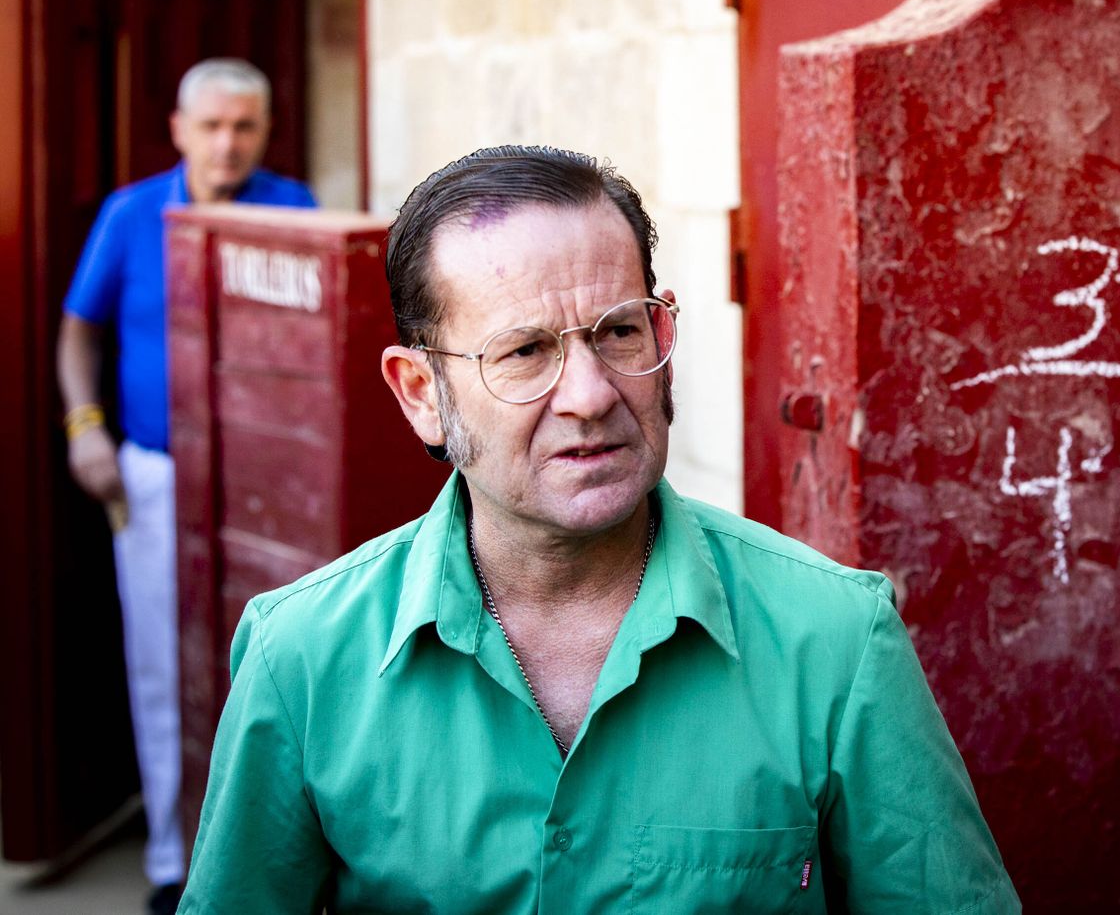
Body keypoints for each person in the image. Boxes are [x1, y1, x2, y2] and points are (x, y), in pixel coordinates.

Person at [180, 146, 1019, 914]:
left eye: (619, 331)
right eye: (525, 352)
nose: (589, 394)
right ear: (421, 393)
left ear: (663, 333)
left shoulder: (833, 639)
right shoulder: (303, 658)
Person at [58, 57, 316, 915]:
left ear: (266, 132)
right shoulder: (132, 213)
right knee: (160, 661)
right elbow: (78, 330)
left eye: (244, 126)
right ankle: (174, 863)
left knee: (275, 662)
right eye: (211, 126)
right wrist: (85, 427)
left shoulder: (294, 209)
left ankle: (273, 861)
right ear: (178, 130)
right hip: (157, 473)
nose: (227, 143)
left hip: (266, 485)